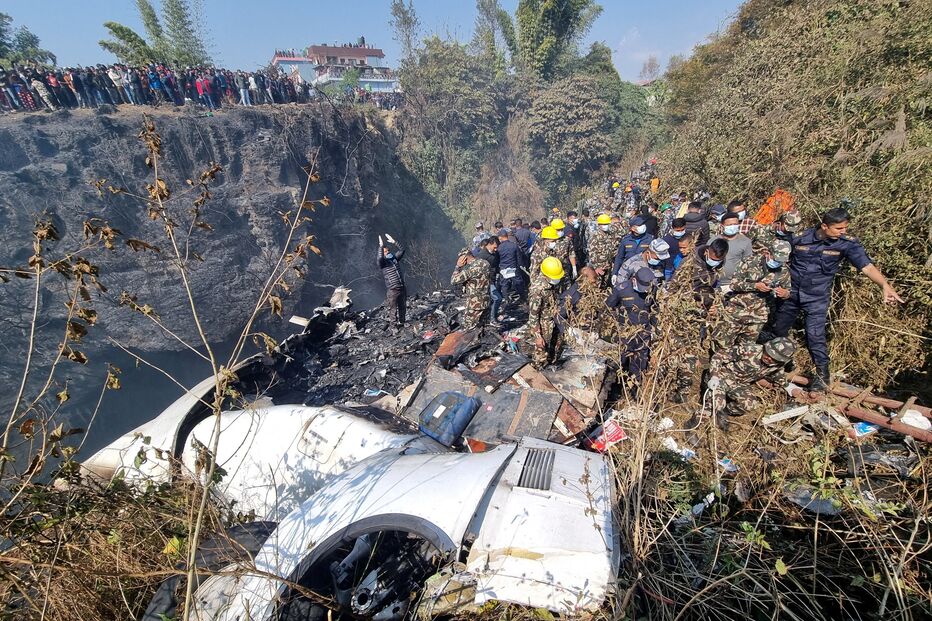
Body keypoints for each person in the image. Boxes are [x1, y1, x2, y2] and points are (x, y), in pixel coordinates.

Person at [763, 206, 902, 391]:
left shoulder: (847, 243)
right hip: (790, 294)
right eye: (839, 228)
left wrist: (884, 285)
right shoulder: (801, 237)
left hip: (817, 298)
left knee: (815, 335)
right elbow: (778, 255)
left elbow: (866, 266)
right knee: (778, 330)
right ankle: (782, 364)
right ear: (824, 226)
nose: (843, 231)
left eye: (845, 228)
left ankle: (822, 376)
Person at [667, 238, 730, 403]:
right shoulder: (690, 262)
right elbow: (674, 287)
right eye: (713, 259)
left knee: (691, 352)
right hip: (681, 313)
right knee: (673, 349)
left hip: (700, 316)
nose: (715, 263)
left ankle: (683, 390)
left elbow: (714, 287)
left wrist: (714, 304)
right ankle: (664, 384)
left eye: (718, 261)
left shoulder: (718, 264)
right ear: (708, 251)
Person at [712, 239, 791, 357]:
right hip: (736, 311)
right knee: (722, 344)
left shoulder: (783, 271)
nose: (778, 263)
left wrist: (785, 293)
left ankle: (737, 372)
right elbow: (734, 284)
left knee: (747, 350)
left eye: (781, 261)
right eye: (776, 260)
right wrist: (754, 286)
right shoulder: (749, 262)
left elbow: (788, 290)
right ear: (767, 253)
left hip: (758, 316)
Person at [708, 337, 802, 430]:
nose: (768, 358)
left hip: (740, 384)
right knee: (717, 403)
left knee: (749, 404)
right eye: (768, 353)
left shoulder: (778, 365)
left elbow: (778, 375)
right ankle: (697, 423)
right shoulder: (750, 349)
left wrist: (788, 387)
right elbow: (719, 356)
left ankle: (723, 413)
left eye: (774, 358)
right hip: (721, 376)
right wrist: (714, 376)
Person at [606, 266, 657, 387]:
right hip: (624, 334)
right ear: (634, 280)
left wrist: (654, 330)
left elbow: (655, 310)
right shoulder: (621, 289)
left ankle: (635, 391)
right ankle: (613, 390)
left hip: (643, 334)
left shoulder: (652, 289)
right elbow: (608, 307)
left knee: (639, 366)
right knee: (617, 364)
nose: (644, 291)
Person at [451, 236, 497, 331]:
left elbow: (454, 280)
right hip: (486, 301)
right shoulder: (485, 263)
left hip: (474, 304)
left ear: (464, 257)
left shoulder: (470, 269)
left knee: (469, 329)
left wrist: (457, 267)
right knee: (483, 328)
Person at [528, 257, 566, 369]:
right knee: (541, 349)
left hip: (552, 319)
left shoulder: (550, 284)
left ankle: (551, 362)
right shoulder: (538, 290)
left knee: (555, 344)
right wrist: (538, 336)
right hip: (543, 324)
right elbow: (533, 315)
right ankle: (537, 369)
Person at [712, 213, 753, 291]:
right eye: (730, 224)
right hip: (715, 282)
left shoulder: (745, 242)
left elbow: (748, 264)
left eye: (735, 224)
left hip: (733, 284)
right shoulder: (713, 240)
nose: (733, 227)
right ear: (722, 226)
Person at [377, 234, 406, 329]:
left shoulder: (394, 259)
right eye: (385, 252)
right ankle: (393, 327)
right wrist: (381, 247)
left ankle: (402, 322)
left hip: (401, 287)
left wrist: (394, 242)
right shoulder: (383, 263)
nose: (387, 252)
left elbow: (402, 250)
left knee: (402, 306)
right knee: (393, 310)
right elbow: (379, 259)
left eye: (388, 250)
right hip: (392, 290)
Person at [612, 216, 654, 280]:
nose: (642, 226)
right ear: (632, 228)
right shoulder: (626, 240)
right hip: (628, 273)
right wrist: (615, 273)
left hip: (643, 273)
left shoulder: (650, 239)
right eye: (639, 225)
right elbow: (619, 257)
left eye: (643, 224)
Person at [586, 214, 620, 288]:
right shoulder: (595, 237)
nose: (606, 226)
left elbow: (613, 249)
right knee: (597, 286)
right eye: (604, 224)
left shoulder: (610, 235)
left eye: (607, 224)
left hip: (608, 266)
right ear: (599, 225)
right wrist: (596, 267)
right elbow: (592, 253)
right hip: (599, 267)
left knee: (606, 285)